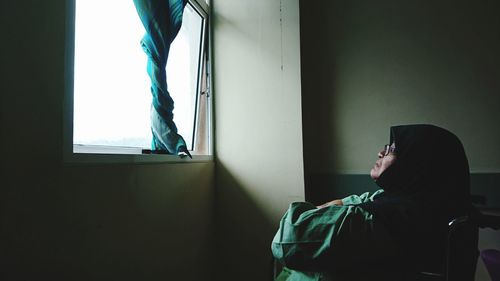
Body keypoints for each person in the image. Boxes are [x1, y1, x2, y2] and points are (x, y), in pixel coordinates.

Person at [271, 124, 475, 281]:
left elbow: (286, 239)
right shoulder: (410, 205)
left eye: (393, 149)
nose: (381, 152)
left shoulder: (385, 218)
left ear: (418, 161)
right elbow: (358, 201)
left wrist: (319, 211)